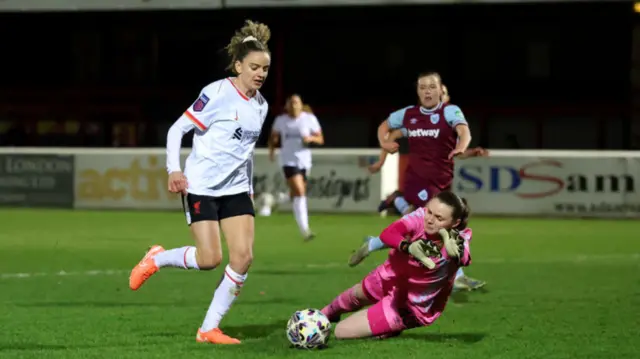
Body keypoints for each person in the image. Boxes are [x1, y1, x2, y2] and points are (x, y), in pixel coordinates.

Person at [128, 20, 272, 345]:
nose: (260, 73)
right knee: (209, 260)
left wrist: (248, 188)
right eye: (254, 67)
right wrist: (173, 170)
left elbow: (245, 154)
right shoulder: (216, 93)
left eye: (265, 68)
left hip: (235, 190)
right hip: (201, 186)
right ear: (238, 65)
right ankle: (157, 258)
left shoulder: (261, 107)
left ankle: (209, 329)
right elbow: (177, 130)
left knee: (243, 257)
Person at [349, 73, 486, 291]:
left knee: (421, 227)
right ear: (418, 91)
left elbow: (464, 132)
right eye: (423, 87)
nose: (428, 91)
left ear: (441, 90)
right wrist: (384, 144)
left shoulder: (450, 112)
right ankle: (457, 276)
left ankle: (374, 242)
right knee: (440, 226)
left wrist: (463, 147)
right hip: (420, 182)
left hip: (441, 181)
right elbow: (385, 129)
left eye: (432, 87)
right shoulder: (408, 115)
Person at [322, 191, 472, 339]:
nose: (430, 219)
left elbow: (464, 258)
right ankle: (323, 316)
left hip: (409, 306)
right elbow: (388, 234)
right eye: (430, 211)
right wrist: (407, 247)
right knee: (352, 297)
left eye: (439, 218)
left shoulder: (459, 240)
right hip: (390, 276)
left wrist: (456, 255)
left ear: (455, 223)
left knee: (341, 331)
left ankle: (390, 327)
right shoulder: (420, 216)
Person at [267, 94, 324, 240]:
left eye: (296, 102)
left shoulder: (308, 119)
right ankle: (305, 230)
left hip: (304, 161)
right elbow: (274, 137)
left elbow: (320, 138)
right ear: (287, 106)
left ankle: (277, 201)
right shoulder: (281, 120)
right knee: (300, 191)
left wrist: (310, 138)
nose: (293, 105)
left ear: (301, 104)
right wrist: (272, 150)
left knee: (297, 193)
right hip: (288, 160)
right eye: (291, 103)